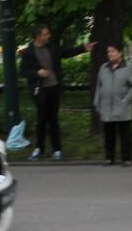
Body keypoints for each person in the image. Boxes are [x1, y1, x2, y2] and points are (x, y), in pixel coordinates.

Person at [18, 24, 94, 160]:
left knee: (54, 120)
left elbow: (66, 52)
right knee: (41, 121)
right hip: (40, 91)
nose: (49, 35)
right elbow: (23, 71)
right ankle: (38, 150)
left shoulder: (52, 47)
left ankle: (57, 150)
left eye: (48, 33)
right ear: (38, 36)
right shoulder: (29, 52)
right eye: (46, 34)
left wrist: (83, 48)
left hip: (54, 88)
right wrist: (37, 72)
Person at [94, 43, 132, 167]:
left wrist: (126, 99)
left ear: (120, 53)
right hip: (106, 106)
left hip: (122, 107)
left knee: (125, 134)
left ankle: (127, 158)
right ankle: (109, 158)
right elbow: (99, 86)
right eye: (108, 52)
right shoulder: (103, 68)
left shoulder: (129, 67)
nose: (110, 54)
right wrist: (97, 102)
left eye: (113, 51)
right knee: (109, 134)